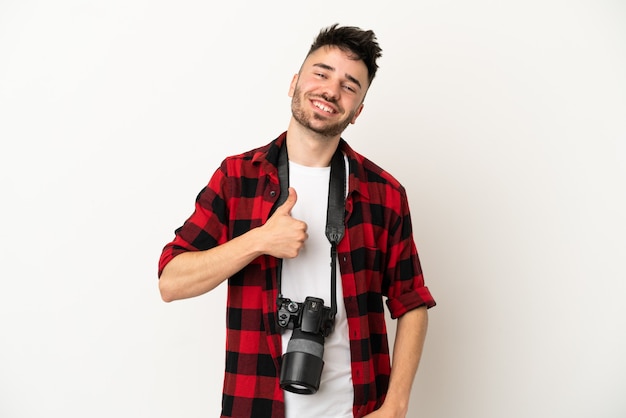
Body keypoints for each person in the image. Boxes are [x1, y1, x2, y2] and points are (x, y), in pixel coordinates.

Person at [158, 24, 436, 418]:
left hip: (356, 409)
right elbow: (170, 281)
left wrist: (396, 406)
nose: (330, 91)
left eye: (349, 85)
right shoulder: (238, 177)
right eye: (321, 73)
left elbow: (412, 303)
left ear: (357, 111)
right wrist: (257, 241)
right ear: (294, 82)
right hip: (254, 407)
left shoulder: (384, 193)